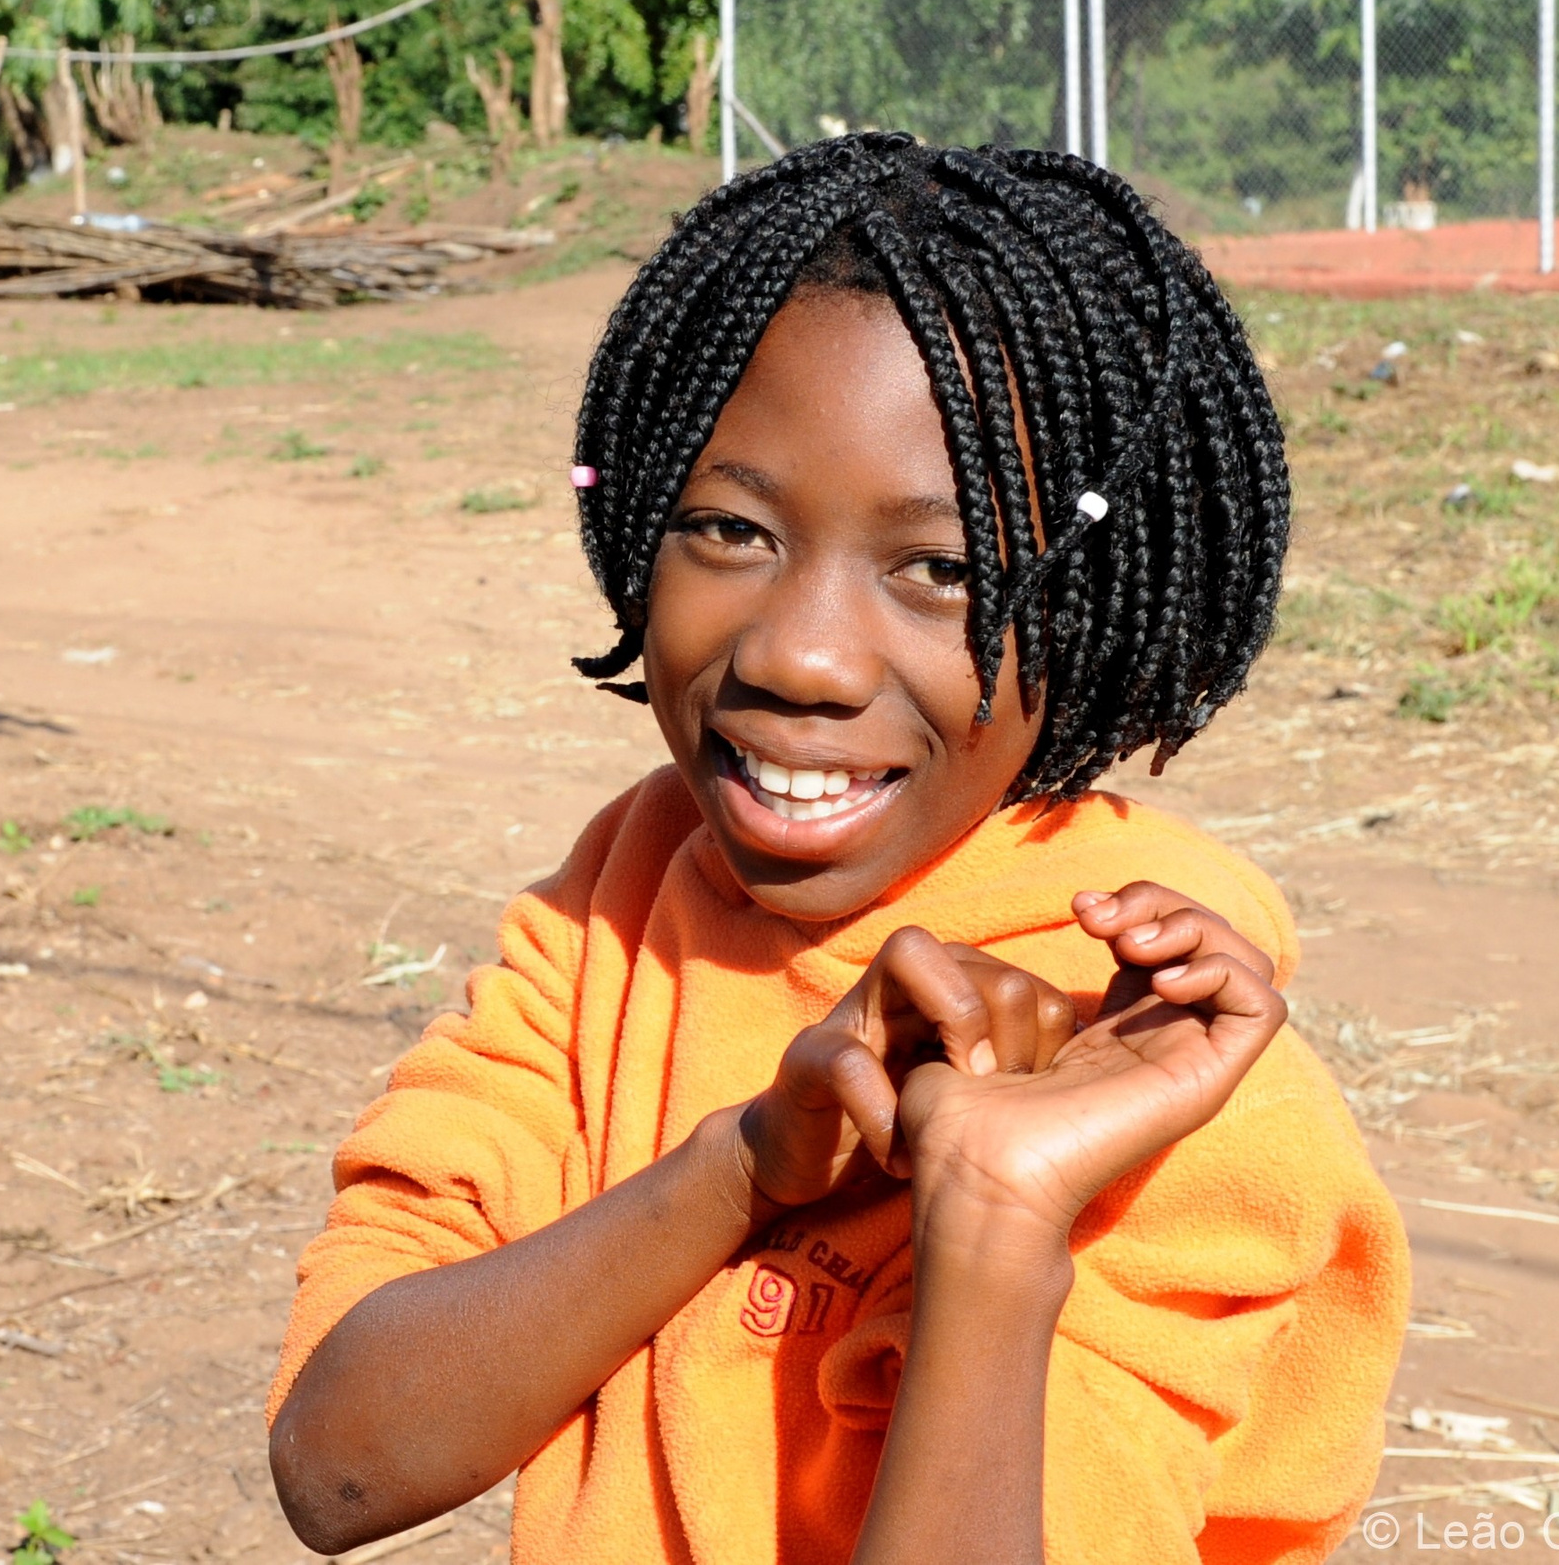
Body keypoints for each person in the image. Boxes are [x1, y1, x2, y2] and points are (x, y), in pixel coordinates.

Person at [265, 134, 1408, 1565]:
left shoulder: (1173, 1077)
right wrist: (742, 1165)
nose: (800, 654)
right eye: (730, 527)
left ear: (1098, 611)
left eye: (942, 569)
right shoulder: (619, 910)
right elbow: (339, 1462)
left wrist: (993, 1216)